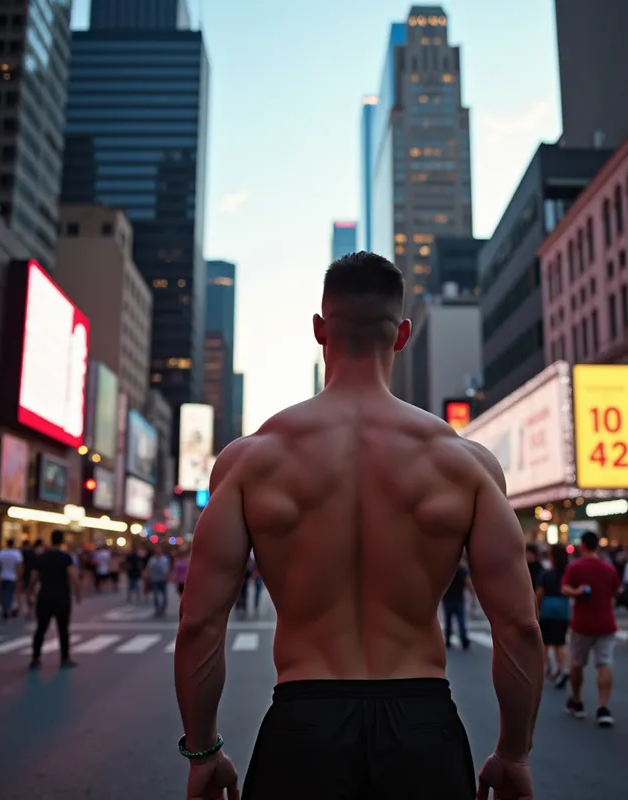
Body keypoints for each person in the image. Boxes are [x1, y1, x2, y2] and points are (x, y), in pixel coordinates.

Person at [174, 252, 544, 800]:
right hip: (423, 725)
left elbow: (201, 624)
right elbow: (518, 628)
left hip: (303, 727)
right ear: (403, 335)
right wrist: (513, 752)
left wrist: (203, 752)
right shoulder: (464, 463)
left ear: (319, 330)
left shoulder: (252, 460)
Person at [562, 531, 621, 726]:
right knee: (605, 663)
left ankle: (577, 701)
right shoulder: (608, 568)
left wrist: (577, 592)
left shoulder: (575, 567)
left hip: (582, 623)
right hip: (606, 622)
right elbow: (617, 590)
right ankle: (603, 707)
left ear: (582, 546)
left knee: (577, 662)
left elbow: (565, 589)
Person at [29, 529, 82, 670]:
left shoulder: (41, 557)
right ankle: (64, 658)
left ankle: (35, 658)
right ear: (63, 541)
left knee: (41, 628)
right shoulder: (66, 557)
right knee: (63, 629)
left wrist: (29, 593)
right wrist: (78, 593)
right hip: (62, 596)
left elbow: (33, 578)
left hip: (44, 595)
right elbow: (73, 576)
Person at [537, 544, 571, 687]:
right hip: (563, 609)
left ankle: (548, 667)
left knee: (545, 643)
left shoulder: (546, 573)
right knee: (560, 643)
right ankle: (563, 669)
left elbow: (539, 593)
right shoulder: (568, 573)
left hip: (547, 609)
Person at [442, 554, 472, 650]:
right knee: (461, 619)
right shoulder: (462, 570)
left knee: (448, 620)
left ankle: (448, 639)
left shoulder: (446, 569)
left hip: (447, 598)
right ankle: (463, 638)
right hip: (459, 598)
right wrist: (473, 593)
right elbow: (468, 583)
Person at [0, 538, 23, 620]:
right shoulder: (16, 554)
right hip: (12, 577)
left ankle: (4, 608)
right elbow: (19, 567)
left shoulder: (1, 553)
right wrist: (20, 577)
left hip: (2, 576)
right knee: (9, 595)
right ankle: (6, 610)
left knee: (3, 594)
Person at [146, 547, 170, 616]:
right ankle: (157, 609)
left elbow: (167, 568)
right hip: (154, 579)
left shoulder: (164, 559)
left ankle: (163, 608)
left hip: (162, 579)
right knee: (156, 595)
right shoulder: (152, 560)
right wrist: (148, 576)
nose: (158, 553)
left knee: (164, 595)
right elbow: (148, 568)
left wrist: (167, 576)